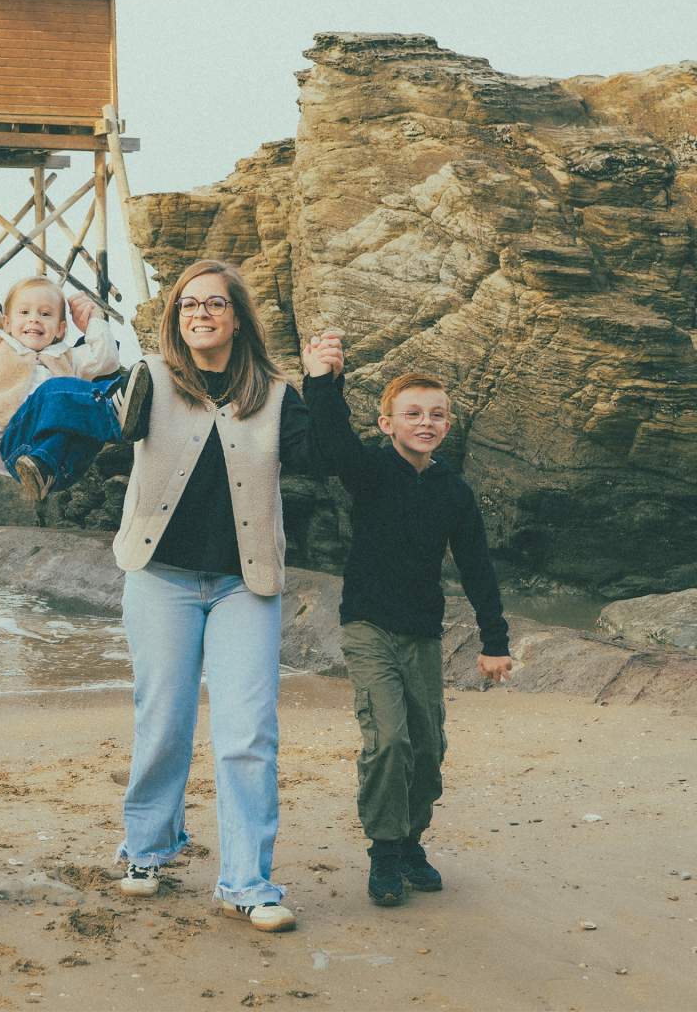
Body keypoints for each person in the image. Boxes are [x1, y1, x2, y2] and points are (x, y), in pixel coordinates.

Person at [108, 258, 342, 935]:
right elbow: (110, 427)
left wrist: (324, 384)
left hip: (246, 584)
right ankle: (148, 849)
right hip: (161, 577)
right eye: (188, 304)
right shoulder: (150, 377)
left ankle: (247, 883)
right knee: (164, 722)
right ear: (175, 318)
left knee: (248, 734)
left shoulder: (276, 393)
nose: (200, 313)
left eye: (214, 303)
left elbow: (322, 461)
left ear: (237, 318)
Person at [300, 359, 513, 907]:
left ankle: (411, 842)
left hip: (422, 634)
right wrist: (322, 381)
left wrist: (495, 642)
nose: (425, 422)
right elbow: (333, 439)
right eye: (412, 413)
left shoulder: (453, 491)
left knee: (428, 746)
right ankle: (384, 851)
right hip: (368, 625)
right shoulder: (370, 471)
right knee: (390, 740)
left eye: (436, 415)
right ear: (386, 423)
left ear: (447, 425)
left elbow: (477, 567)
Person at [0, 273, 144, 501]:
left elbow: (105, 360)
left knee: (81, 418)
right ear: (7, 323)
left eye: (45, 314)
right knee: (55, 391)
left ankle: (44, 468)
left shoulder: (66, 356)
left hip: (64, 466)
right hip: (14, 443)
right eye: (24, 312)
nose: (34, 319)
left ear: (60, 329)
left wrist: (93, 321)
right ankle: (115, 411)